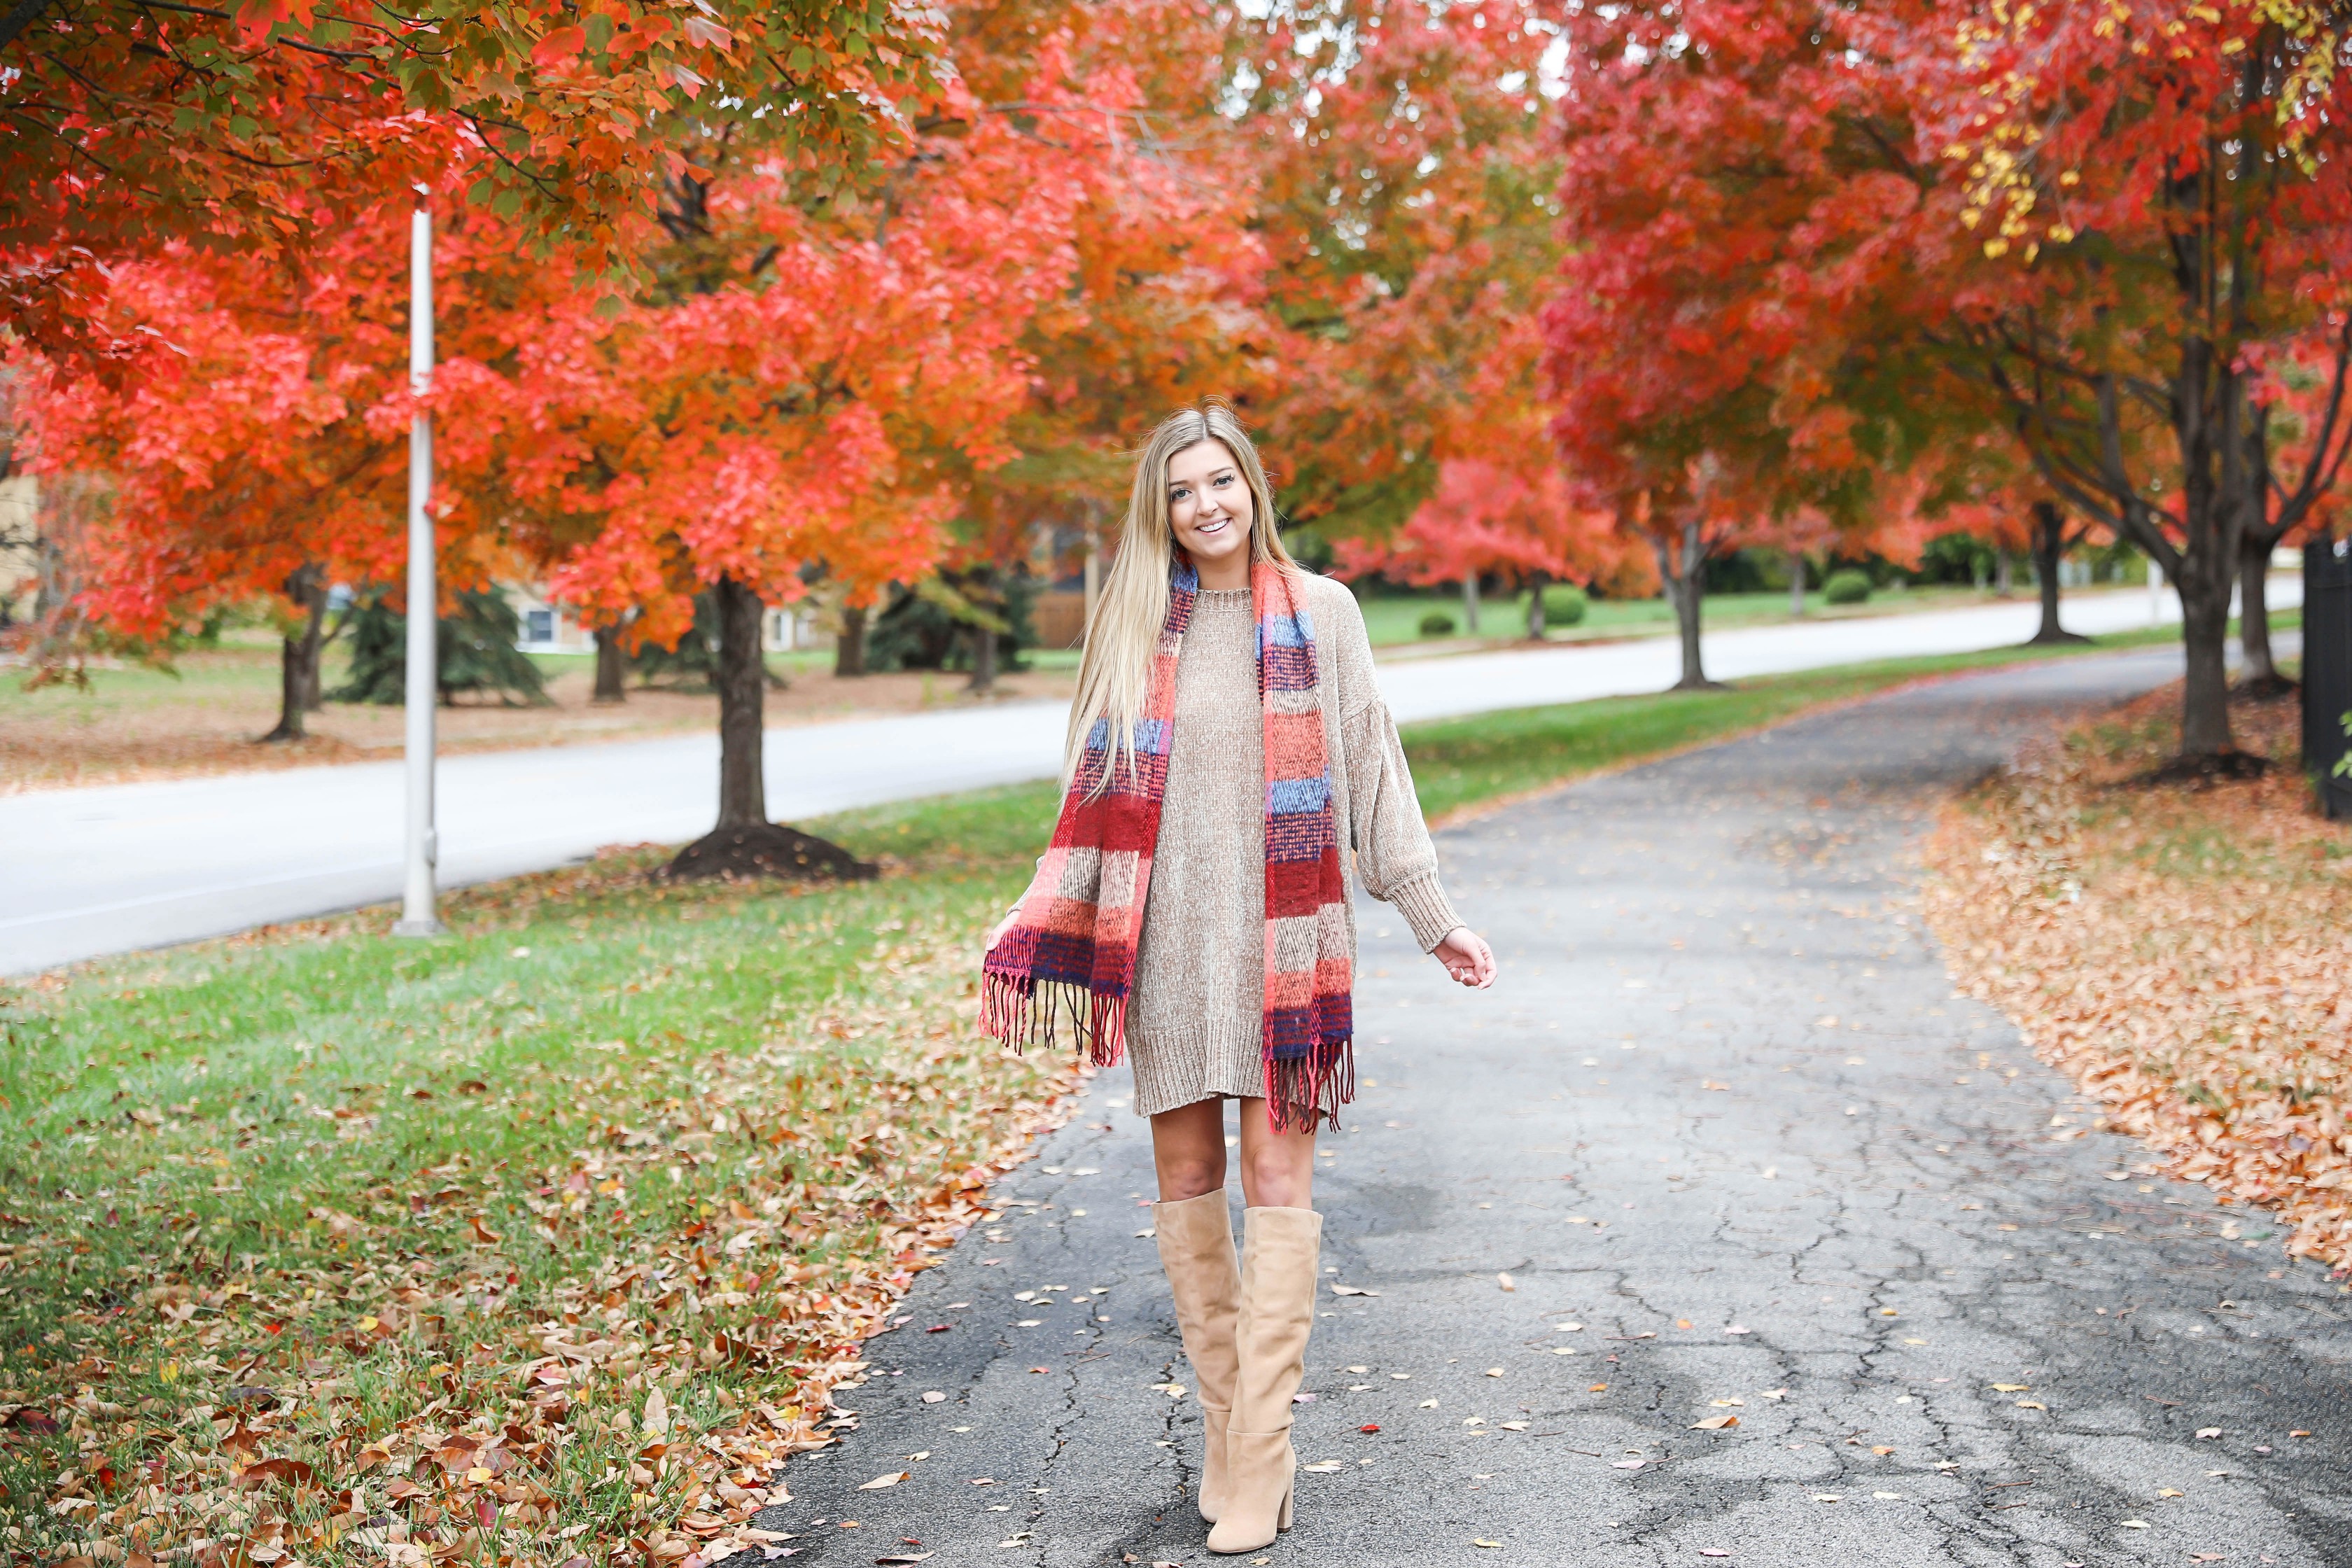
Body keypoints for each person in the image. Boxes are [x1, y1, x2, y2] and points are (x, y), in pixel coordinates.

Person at [981, 400, 1495, 1555]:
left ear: (1253, 486)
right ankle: (1229, 1437)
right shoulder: (1126, 625)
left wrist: (1432, 916)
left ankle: (1260, 1462)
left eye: (1221, 482)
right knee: (1185, 1174)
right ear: (1157, 507)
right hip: (1164, 945)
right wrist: (1033, 915)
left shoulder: (1324, 612)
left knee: (1277, 1180)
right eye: (1180, 490)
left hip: (1285, 946)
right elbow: (1087, 803)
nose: (1205, 505)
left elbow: (1371, 765)